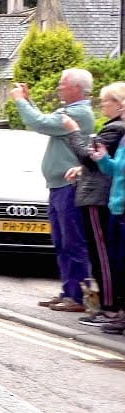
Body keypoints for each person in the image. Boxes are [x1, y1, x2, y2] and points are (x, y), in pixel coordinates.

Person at [11, 70, 96, 313]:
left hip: (70, 186)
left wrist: (20, 101)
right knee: (62, 242)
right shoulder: (70, 111)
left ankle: (79, 296)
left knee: (73, 243)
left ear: (77, 88)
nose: (59, 88)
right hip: (59, 186)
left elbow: (41, 124)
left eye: (62, 84)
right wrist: (29, 101)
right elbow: (47, 121)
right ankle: (69, 291)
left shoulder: (79, 113)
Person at [61, 81, 125, 325]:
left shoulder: (115, 129)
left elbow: (88, 158)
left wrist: (73, 131)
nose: (101, 104)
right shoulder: (115, 128)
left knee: (103, 256)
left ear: (119, 104)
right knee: (102, 255)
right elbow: (104, 163)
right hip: (104, 198)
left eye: (106, 100)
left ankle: (109, 308)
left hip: (99, 198)